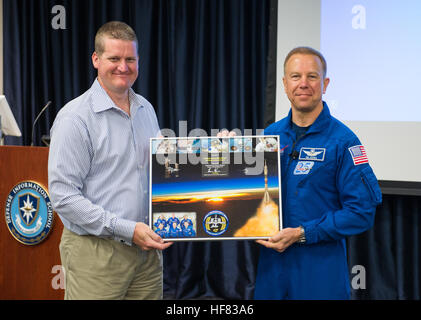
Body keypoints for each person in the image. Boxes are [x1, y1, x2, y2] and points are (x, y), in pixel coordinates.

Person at [48, 21, 172, 300]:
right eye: (114, 58)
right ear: (96, 59)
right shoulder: (75, 119)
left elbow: (164, 168)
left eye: (130, 59)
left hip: (147, 254)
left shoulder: (146, 109)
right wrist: (127, 230)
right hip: (96, 254)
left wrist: (219, 151)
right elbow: (64, 197)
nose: (123, 67)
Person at [254, 47, 382, 299]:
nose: (303, 84)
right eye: (295, 76)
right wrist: (226, 153)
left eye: (312, 77)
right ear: (284, 83)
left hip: (319, 272)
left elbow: (361, 212)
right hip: (272, 271)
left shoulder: (344, 141)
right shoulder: (270, 136)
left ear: (325, 83)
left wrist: (303, 233)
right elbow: (248, 194)